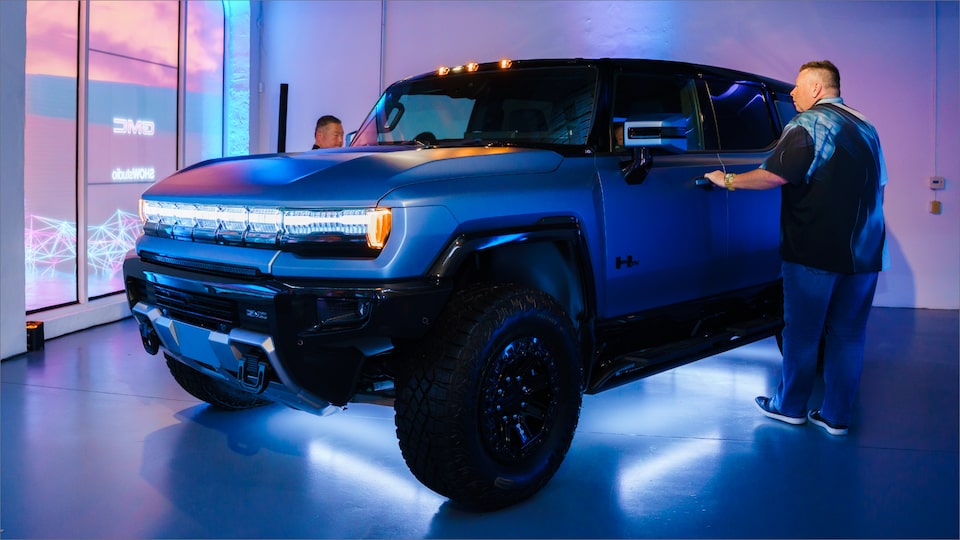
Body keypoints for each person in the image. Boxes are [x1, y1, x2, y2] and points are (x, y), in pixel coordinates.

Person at [704, 60, 887, 436]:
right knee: (848, 335)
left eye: (798, 85)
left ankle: (789, 407)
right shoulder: (868, 126)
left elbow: (774, 174)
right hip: (866, 254)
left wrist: (728, 179)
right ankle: (836, 417)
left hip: (813, 253)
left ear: (818, 89)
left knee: (802, 334)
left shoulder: (809, 125)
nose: (791, 92)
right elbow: (880, 187)